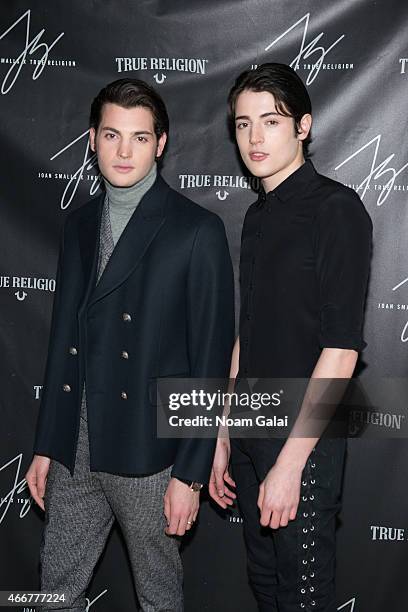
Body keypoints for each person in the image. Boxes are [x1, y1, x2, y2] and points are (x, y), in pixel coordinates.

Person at [26, 78, 235, 612]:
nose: (124, 151)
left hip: (152, 455)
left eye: (140, 138)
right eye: (112, 134)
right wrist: (48, 442)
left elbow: (209, 364)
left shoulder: (196, 229)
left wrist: (189, 473)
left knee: (159, 599)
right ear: (92, 138)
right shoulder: (78, 225)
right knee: (54, 595)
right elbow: (62, 341)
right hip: (75, 447)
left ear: (160, 143)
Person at [209, 63, 372, 612]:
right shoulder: (255, 218)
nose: (254, 138)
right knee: (268, 593)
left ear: (303, 126)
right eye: (242, 124)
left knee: (304, 601)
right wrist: (225, 433)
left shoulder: (336, 209)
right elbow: (247, 334)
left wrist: (291, 464)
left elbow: (342, 349)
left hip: (303, 443)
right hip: (252, 434)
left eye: (271, 121)